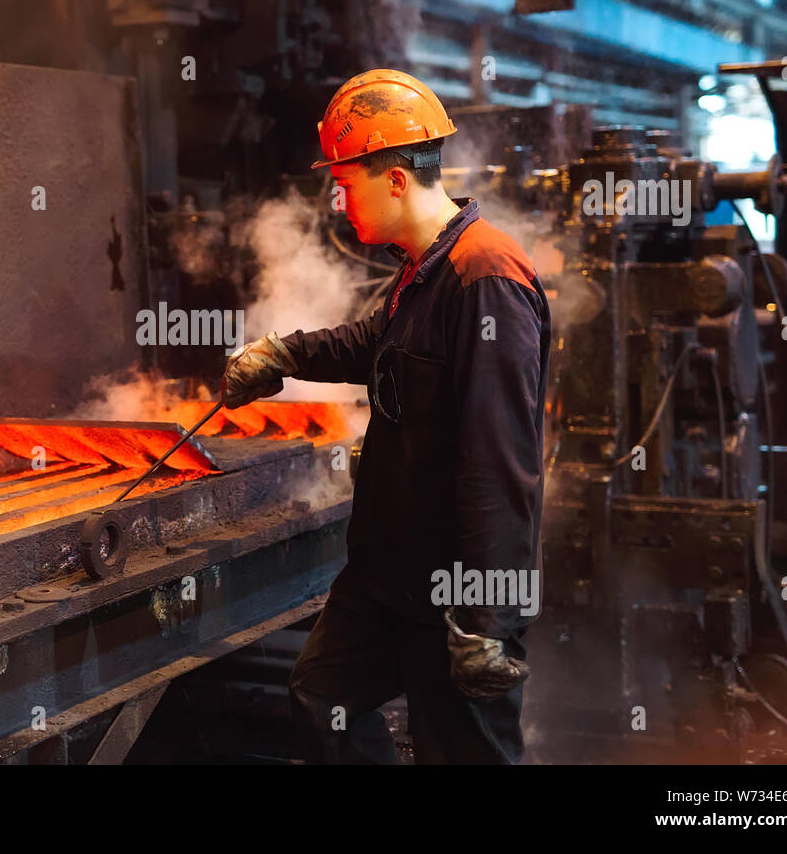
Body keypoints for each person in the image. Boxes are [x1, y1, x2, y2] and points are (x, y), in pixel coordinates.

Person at [222, 69, 551, 764]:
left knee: (463, 750)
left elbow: (501, 462)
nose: (341, 205)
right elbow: (375, 344)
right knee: (322, 695)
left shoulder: (484, 276)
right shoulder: (427, 268)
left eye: (346, 186)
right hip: (391, 578)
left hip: (454, 590)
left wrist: (488, 618)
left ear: (396, 180)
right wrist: (281, 355)